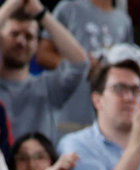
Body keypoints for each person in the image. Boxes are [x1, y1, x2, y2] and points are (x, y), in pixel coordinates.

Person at [33, 0, 135, 133]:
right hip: (69, 110)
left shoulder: (124, 20)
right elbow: (43, 54)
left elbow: (128, 69)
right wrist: (78, 66)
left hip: (106, 119)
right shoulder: (68, 8)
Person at [0, 0, 89, 142]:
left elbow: (80, 63)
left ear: (37, 44)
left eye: (29, 36)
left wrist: (41, 13)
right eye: (14, 34)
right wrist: (12, 4)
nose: (21, 41)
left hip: (42, 163)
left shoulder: (47, 86)